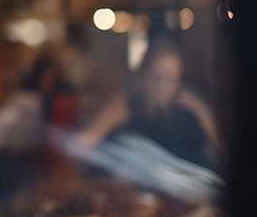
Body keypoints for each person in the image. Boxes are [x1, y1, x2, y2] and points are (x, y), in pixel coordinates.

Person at [71, 36, 223, 171]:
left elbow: (219, 158)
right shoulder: (127, 108)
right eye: (156, 77)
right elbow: (78, 150)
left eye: (170, 79)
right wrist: (105, 120)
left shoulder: (186, 114)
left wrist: (204, 115)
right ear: (143, 77)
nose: (162, 86)